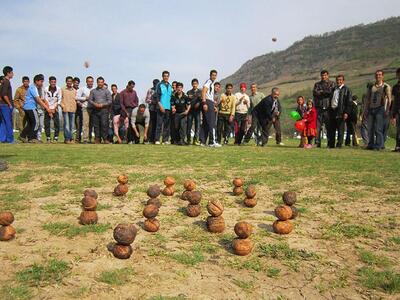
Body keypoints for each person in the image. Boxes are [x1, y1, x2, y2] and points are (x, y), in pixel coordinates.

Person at [365, 70, 391, 150]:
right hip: (371, 109)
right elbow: (368, 99)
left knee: (378, 128)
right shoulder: (371, 86)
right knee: (370, 128)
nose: (378, 76)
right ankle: (371, 144)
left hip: (380, 108)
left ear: (383, 76)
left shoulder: (386, 86)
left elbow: (389, 99)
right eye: (376, 75)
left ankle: (379, 145)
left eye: (379, 75)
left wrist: (387, 110)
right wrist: (366, 110)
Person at [19, 74, 50, 143]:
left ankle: (22, 136)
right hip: (31, 107)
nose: (42, 83)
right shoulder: (33, 88)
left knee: (30, 123)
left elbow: (39, 99)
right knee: (36, 122)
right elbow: (38, 99)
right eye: (41, 81)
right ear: (36, 81)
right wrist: (46, 108)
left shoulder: (32, 88)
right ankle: (32, 138)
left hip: (27, 107)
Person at [327, 75, 352, 148]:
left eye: (340, 80)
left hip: (341, 111)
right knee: (332, 129)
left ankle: (339, 144)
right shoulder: (334, 89)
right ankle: (331, 145)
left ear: (343, 81)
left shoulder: (347, 90)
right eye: (337, 80)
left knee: (340, 129)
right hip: (332, 110)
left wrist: (346, 112)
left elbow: (349, 102)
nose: (339, 81)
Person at [313, 70, 336, 147]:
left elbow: (330, 92)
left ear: (328, 75)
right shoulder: (317, 84)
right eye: (322, 75)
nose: (324, 77)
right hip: (319, 108)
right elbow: (315, 93)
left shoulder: (332, 84)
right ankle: (317, 143)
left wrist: (321, 92)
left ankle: (330, 143)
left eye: (325, 75)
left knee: (329, 127)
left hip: (328, 108)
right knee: (318, 127)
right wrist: (324, 92)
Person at [88, 77, 112, 144]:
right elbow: (90, 100)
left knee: (104, 125)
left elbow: (110, 101)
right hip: (95, 110)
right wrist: (94, 104)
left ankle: (105, 139)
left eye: (101, 82)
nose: (100, 83)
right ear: (97, 82)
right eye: (99, 82)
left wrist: (103, 104)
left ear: (103, 83)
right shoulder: (93, 91)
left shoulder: (107, 91)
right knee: (96, 125)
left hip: (104, 110)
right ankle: (97, 139)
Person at [200, 70, 220, 147]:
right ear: (210, 75)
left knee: (205, 122)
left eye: (215, 75)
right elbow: (203, 91)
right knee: (211, 122)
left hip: (210, 102)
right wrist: (204, 103)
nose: (214, 76)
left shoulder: (212, 83)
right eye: (213, 75)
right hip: (208, 102)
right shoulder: (208, 82)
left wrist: (213, 106)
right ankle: (212, 141)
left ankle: (203, 141)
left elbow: (208, 94)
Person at [155, 71, 173, 145]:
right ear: (162, 76)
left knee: (167, 125)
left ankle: (165, 140)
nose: (166, 77)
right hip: (161, 107)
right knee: (159, 124)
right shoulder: (159, 85)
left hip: (168, 108)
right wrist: (160, 105)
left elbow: (171, 97)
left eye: (167, 76)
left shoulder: (170, 85)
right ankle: (157, 140)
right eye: (164, 76)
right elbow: (157, 97)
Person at [76, 76, 94, 144]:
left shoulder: (95, 89)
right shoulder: (82, 89)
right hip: (85, 108)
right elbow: (76, 97)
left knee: (91, 124)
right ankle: (85, 139)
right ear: (86, 82)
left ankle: (90, 138)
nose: (90, 83)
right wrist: (85, 98)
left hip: (93, 109)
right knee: (85, 124)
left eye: (91, 81)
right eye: (89, 81)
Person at [44, 76, 62, 143]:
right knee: (47, 124)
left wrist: (54, 108)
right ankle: (48, 138)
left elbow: (59, 99)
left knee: (57, 124)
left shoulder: (59, 89)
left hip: (55, 108)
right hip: (47, 108)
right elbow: (45, 99)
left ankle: (56, 138)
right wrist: (49, 110)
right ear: (49, 82)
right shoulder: (46, 89)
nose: (53, 83)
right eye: (52, 82)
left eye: (54, 82)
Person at [60, 76, 77, 144]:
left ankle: (71, 138)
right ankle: (67, 138)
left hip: (72, 109)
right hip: (65, 109)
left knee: (72, 125)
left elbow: (76, 99)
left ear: (72, 82)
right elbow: (59, 99)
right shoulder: (62, 89)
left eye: (70, 81)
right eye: (68, 81)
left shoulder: (74, 90)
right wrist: (62, 106)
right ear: (66, 81)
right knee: (66, 125)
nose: (69, 82)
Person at [0, 66, 14, 143]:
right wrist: (9, 104)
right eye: (12, 72)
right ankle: (10, 139)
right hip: (5, 105)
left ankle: (3, 139)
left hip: (1, 105)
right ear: (8, 73)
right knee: (8, 122)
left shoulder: (2, 82)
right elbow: (4, 94)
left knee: (3, 122)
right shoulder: (6, 81)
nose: (13, 74)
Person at [186, 78, 202, 145]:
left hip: (197, 111)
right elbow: (187, 101)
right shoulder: (189, 92)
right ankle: (189, 140)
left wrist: (199, 103)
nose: (194, 85)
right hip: (190, 111)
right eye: (193, 84)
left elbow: (202, 100)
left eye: (196, 84)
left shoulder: (200, 92)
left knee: (197, 126)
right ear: (192, 84)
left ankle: (195, 140)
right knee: (189, 126)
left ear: (197, 84)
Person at [145, 79, 160, 144]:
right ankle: (149, 139)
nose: (155, 85)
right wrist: (152, 102)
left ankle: (155, 139)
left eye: (157, 83)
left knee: (157, 125)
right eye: (154, 83)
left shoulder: (160, 90)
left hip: (158, 109)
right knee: (151, 125)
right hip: (151, 109)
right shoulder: (150, 90)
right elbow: (147, 100)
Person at [391, 68, 400, 152]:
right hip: (397, 111)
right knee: (398, 129)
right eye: (399, 74)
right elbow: (393, 101)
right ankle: (397, 146)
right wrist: (393, 114)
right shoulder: (395, 87)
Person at [73, 77, 82, 142]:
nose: (76, 84)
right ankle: (69, 138)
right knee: (70, 125)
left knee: (78, 125)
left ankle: (77, 139)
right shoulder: (70, 89)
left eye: (77, 83)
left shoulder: (80, 90)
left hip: (78, 110)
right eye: (75, 83)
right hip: (71, 109)